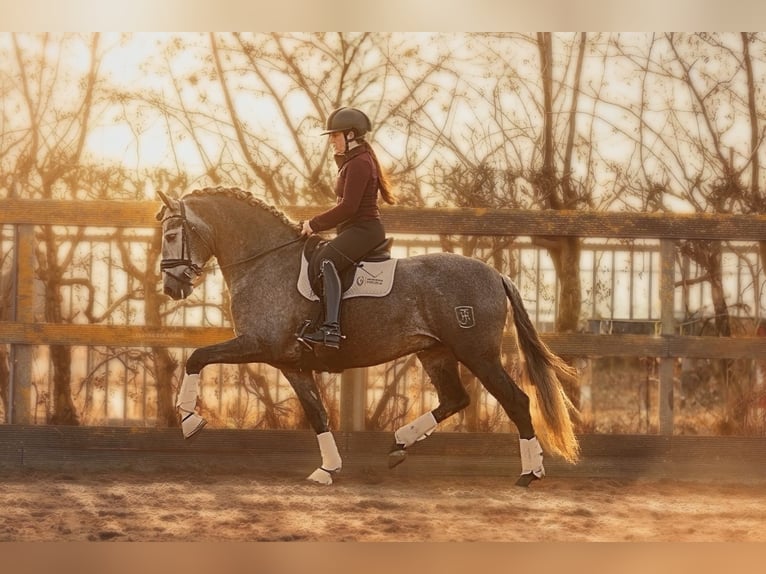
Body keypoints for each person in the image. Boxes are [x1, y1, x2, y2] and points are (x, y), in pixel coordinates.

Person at [298, 106, 396, 349]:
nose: (331, 141)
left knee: (325, 261)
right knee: (321, 256)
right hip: (355, 230)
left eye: (335, 135)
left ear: (350, 135)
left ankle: (330, 328)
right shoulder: (352, 162)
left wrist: (314, 223)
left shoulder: (360, 163)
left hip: (364, 230)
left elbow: (348, 208)